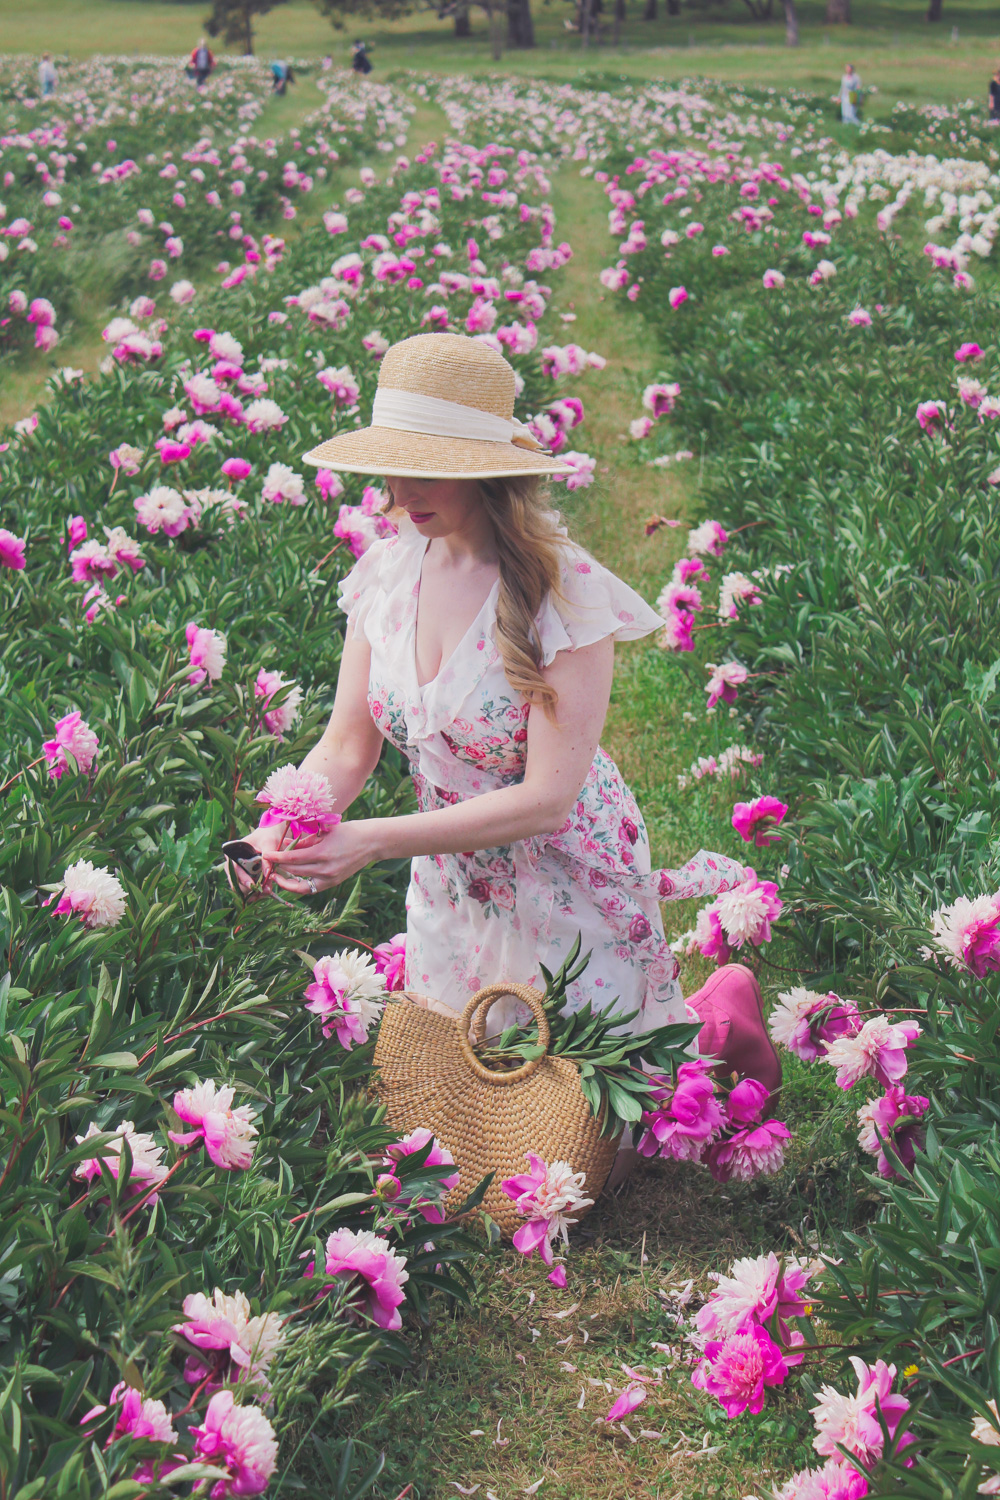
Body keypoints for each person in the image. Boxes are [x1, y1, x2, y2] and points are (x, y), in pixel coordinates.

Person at [236, 334, 780, 1179]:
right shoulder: (385, 576)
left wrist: (372, 839)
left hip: (566, 865)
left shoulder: (559, 592)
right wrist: (288, 823)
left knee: (612, 1125)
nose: (398, 491)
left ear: (487, 466)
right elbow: (347, 743)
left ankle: (722, 1015)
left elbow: (547, 799)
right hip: (450, 871)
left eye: (427, 467)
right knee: (477, 1129)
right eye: (390, 466)